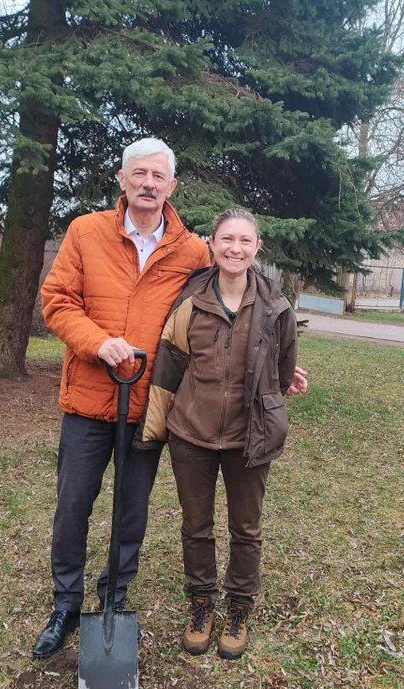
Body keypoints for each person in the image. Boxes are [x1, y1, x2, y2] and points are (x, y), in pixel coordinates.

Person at [31, 137, 310, 658]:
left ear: (171, 186)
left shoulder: (190, 249)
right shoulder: (86, 232)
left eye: (158, 176)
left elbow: (228, 311)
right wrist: (97, 342)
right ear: (122, 178)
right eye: (138, 174)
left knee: (131, 513)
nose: (148, 184)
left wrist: (274, 368)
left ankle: (114, 593)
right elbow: (56, 301)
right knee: (73, 507)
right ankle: (65, 602)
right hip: (90, 399)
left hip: (149, 409)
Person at [136, 208, 297, 660]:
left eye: (245, 241)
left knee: (246, 528)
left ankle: (240, 607)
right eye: (227, 239)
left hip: (251, 439)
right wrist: (153, 432)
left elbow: (281, 373)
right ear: (212, 242)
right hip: (192, 434)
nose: (235, 249)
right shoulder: (190, 301)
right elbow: (168, 369)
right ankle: (201, 603)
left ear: (257, 247)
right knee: (196, 526)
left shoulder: (276, 307)